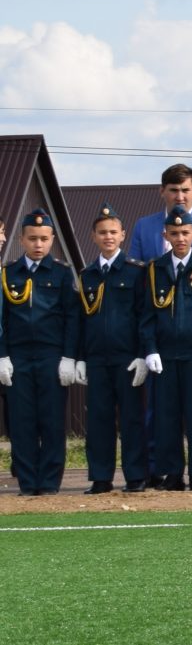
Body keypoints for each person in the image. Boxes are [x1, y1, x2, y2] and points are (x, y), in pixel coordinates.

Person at [140, 208, 192, 489]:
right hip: (164, 356)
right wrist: (150, 349)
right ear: (165, 235)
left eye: (185, 233)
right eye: (174, 233)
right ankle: (173, 473)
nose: (180, 238)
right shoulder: (154, 270)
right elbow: (147, 315)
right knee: (167, 416)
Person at [74, 205, 151, 493]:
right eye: (102, 232)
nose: (108, 237)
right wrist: (80, 358)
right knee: (98, 420)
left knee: (132, 419)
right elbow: (82, 319)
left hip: (128, 358)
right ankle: (101, 477)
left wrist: (143, 354)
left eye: (113, 232)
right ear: (93, 236)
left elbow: (145, 316)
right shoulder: (87, 275)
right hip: (96, 359)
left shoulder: (136, 272)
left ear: (123, 236)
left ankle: (136, 476)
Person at [3, 209, 79, 495]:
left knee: (51, 421)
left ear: (52, 240)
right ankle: (26, 482)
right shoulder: (8, 273)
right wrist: (2, 356)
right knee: (22, 422)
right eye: (32, 238)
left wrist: (69, 357)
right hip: (18, 357)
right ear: (21, 239)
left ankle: (48, 482)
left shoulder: (61, 273)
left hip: (51, 355)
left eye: (44, 239)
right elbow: (2, 319)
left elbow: (72, 318)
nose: (38, 244)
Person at [129, 162, 192, 265]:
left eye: (185, 190)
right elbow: (134, 271)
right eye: (174, 190)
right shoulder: (143, 226)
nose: (180, 197)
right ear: (162, 191)